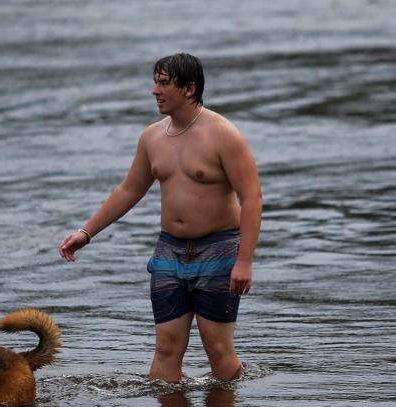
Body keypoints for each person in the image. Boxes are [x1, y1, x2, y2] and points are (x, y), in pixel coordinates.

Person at [59, 53, 262, 383]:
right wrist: (87, 232)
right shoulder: (151, 137)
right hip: (169, 252)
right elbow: (129, 190)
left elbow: (251, 198)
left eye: (164, 83)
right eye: (155, 82)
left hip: (218, 250)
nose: (155, 90)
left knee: (218, 350)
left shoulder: (224, 135)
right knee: (166, 349)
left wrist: (245, 261)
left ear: (189, 88)